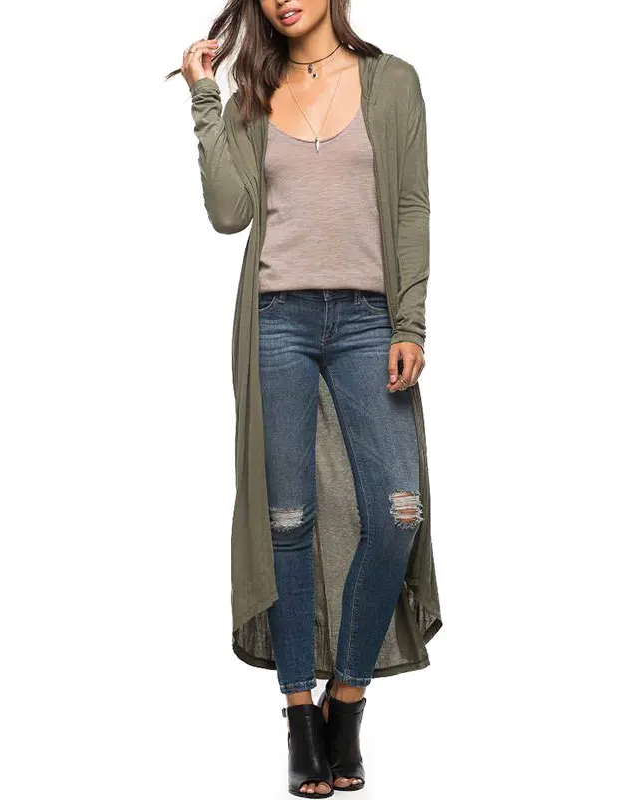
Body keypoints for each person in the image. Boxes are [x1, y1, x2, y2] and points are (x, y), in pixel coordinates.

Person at [170, 0, 442, 794]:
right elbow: (230, 213)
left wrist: (410, 322)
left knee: (397, 513)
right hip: (276, 323)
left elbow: (411, 206)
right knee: (287, 521)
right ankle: (299, 715)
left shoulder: (393, 83)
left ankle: (344, 701)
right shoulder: (252, 92)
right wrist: (205, 96)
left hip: (369, 321)